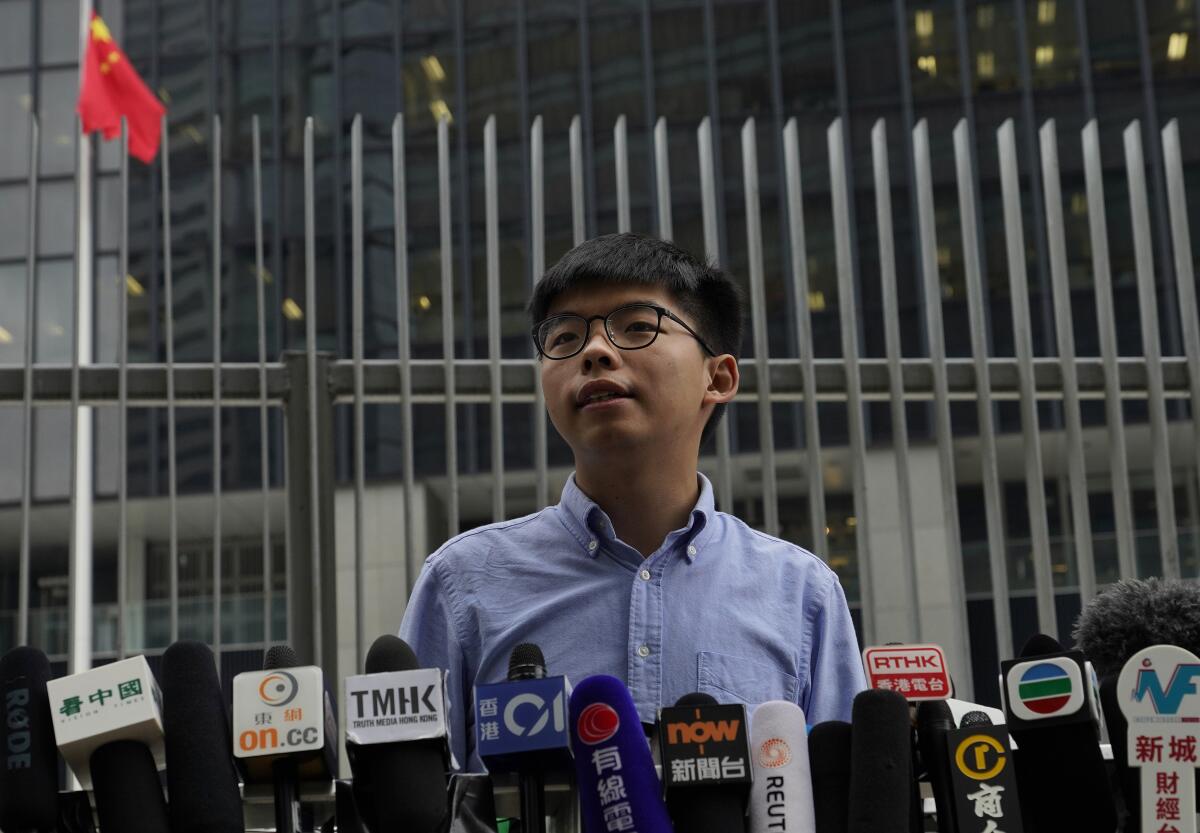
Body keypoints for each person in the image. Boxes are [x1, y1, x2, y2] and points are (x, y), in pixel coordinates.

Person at [400, 232, 866, 771]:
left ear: (718, 377)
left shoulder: (801, 592)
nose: (595, 351)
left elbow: (840, 798)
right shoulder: (462, 582)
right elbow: (418, 804)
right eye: (565, 337)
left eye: (638, 327)